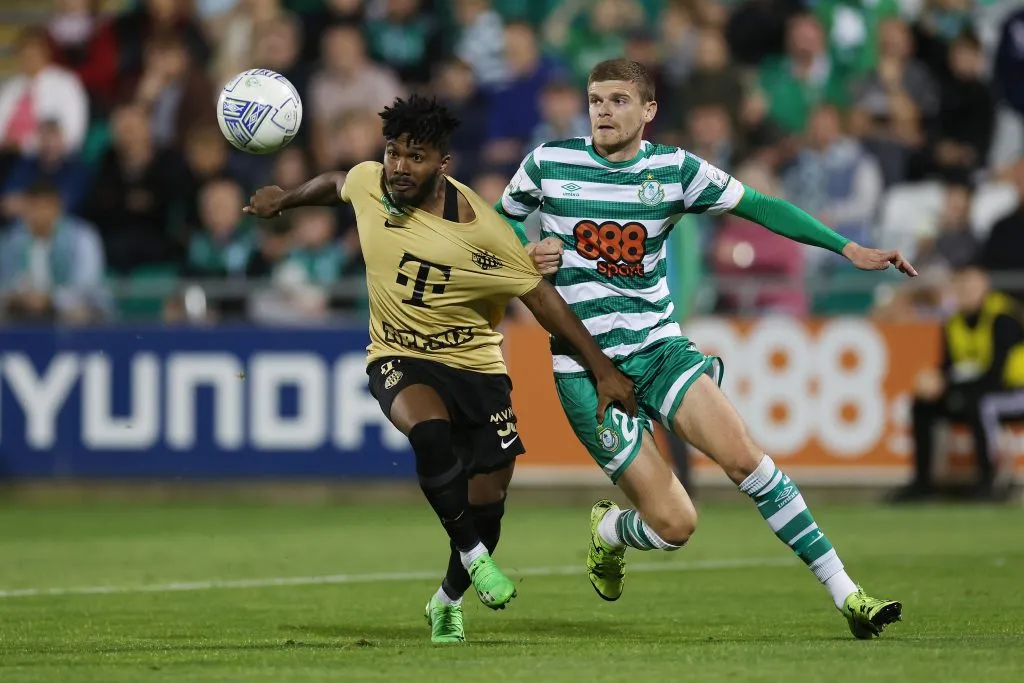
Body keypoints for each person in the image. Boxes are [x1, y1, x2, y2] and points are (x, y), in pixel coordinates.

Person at [496, 59, 915, 639]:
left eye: (619, 100)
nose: (603, 111)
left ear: (648, 111)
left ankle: (849, 595)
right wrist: (525, 252)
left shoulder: (675, 170)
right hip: (584, 369)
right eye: (596, 100)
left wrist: (846, 247)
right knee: (675, 525)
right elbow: (498, 224)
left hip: (659, 348)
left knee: (746, 459)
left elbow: (762, 206)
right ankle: (612, 531)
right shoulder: (548, 162)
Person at [243, 95, 636, 644]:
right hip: (398, 355)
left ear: (443, 164)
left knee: (489, 504)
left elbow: (544, 302)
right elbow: (336, 183)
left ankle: (446, 600)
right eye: (394, 153)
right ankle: (475, 559)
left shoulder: (486, 236)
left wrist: (602, 370)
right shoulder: (371, 183)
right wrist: (284, 200)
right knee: (428, 432)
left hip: (476, 365)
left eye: (416, 156)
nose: (400, 167)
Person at [896, 265, 1024, 502]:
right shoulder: (953, 322)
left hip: (1013, 391)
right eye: (961, 286)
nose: (965, 292)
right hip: (973, 390)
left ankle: (989, 482)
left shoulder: (1003, 318)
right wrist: (935, 381)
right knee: (922, 404)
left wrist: (950, 386)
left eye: (971, 286)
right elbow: (949, 366)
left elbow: (997, 374)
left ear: (985, 287)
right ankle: (921, 484)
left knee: (983, 404)